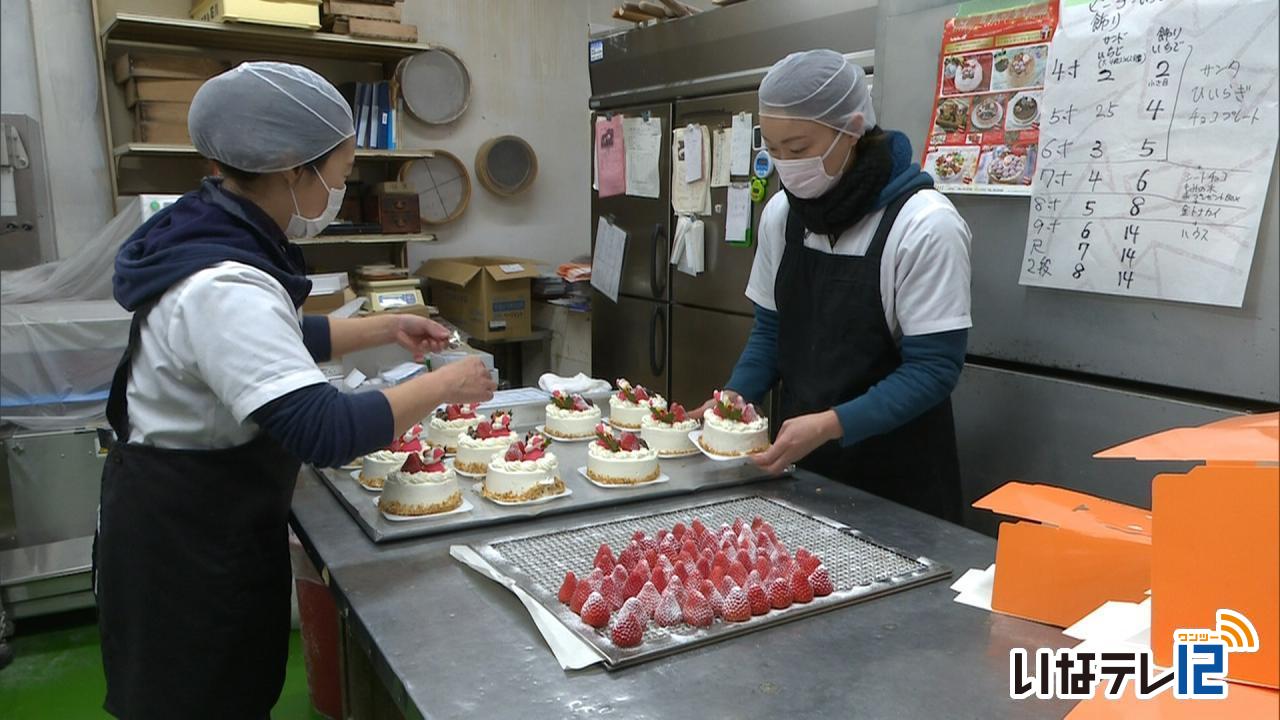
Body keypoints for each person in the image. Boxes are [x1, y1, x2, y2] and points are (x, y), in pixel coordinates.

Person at [94, 62, 496, 719]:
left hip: (198, 518)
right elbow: (325, 430)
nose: (340, 187)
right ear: (291, 169)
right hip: (187, 546)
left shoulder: (212, 232)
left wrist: (383, 327)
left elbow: (270, 345)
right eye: (339, 172)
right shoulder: (224, 284)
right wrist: (449, 383)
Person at [693, 50, 972, 522]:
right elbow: (769, 333)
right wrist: (734, 401)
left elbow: (934, 369)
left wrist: (831, 424)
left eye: (798, 149)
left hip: (898, 484)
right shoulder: (783, 215)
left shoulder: (924, 225)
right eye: (774, 151)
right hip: (801, 470)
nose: (786, 166)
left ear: (852, 129)